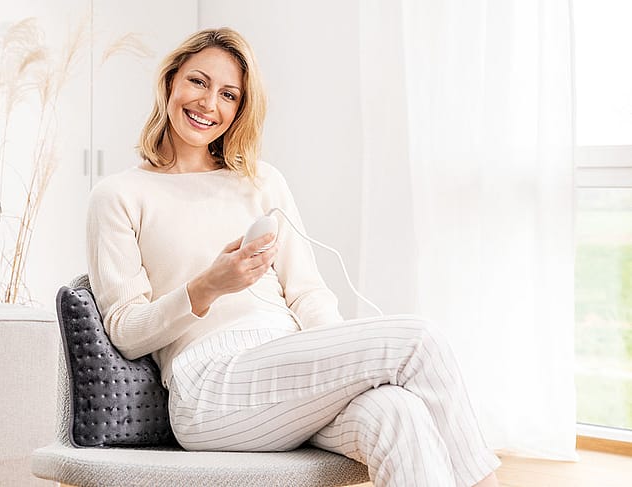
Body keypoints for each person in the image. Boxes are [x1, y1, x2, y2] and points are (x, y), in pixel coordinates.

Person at [86, 27, 501, 487]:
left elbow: (308, 295)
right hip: (209, 387)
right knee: (419, 339)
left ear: (240, 109)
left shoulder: (261, 181)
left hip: (290, 368)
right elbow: (125, 331)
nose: (209, 103)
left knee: (398, 411)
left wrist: (335, 358)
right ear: (170, 82)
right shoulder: (120, 194)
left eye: (228, 95)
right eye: (198, 82)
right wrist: (209, 286)